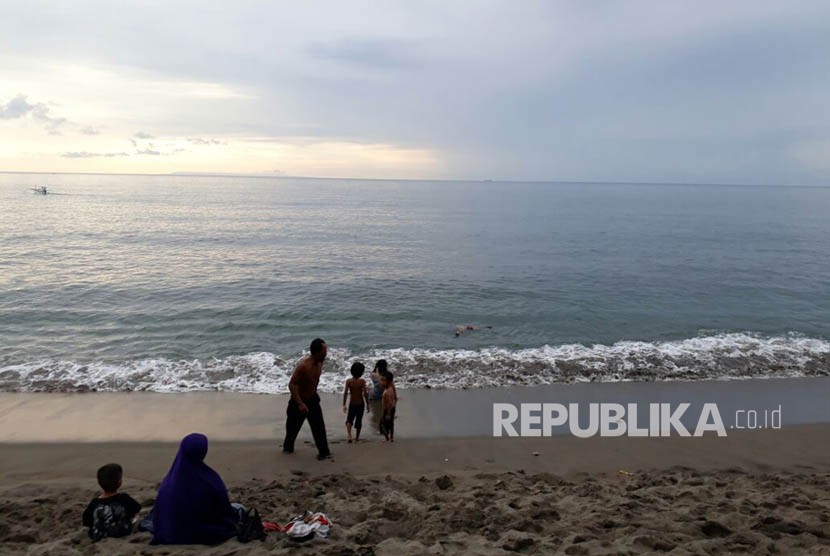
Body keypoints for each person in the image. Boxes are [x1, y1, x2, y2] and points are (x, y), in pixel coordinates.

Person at [151, 433, 239, 545]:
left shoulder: (169, 479)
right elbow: (224, 510)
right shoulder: (210, 479)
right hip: (197, 534)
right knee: (239, 508)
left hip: (168, 532)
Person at [282, 338, 331, 460]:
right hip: (298, 401)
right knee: (292, 429)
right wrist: (300, 403)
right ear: (316, 352)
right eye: (324, 353)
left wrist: (314, 392)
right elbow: (292, 385)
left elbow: (315, 380)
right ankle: (288, 449)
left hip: (312, 399)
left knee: (319, 427)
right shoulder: (303, 366)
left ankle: (324, 453)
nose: (326, 355)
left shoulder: (320, 363)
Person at [82, 463, 142, 541]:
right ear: (119, 482)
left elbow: (86, 521)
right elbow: (137, 508)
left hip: (98, 535)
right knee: (136, 517)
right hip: (122, 532)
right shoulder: (123, 498)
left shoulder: (94, 503)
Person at [342, 362, 370, 443]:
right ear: (361, 372)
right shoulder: (362, 381)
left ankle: (349, 435)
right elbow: (365, 393)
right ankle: (357, 438)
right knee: (359, 421)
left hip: (352, 404)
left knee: (349, 420)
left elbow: (345, 393)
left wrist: (344, 404)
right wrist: (368, 404)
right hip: (360, 404)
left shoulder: (349, 381)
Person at [380, 371, 397, 442]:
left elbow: (389, 403)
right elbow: (394, 391)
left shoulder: (386, 392)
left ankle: (387, 438)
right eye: (381, 379)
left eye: (383, 380)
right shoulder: (391, 386)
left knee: (382, 425)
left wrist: (388, 414)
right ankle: (391, 437)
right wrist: (395, 397)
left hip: (388, 410)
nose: (381, 382)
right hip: (393, 408)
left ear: (389, 381)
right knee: (391, 423)